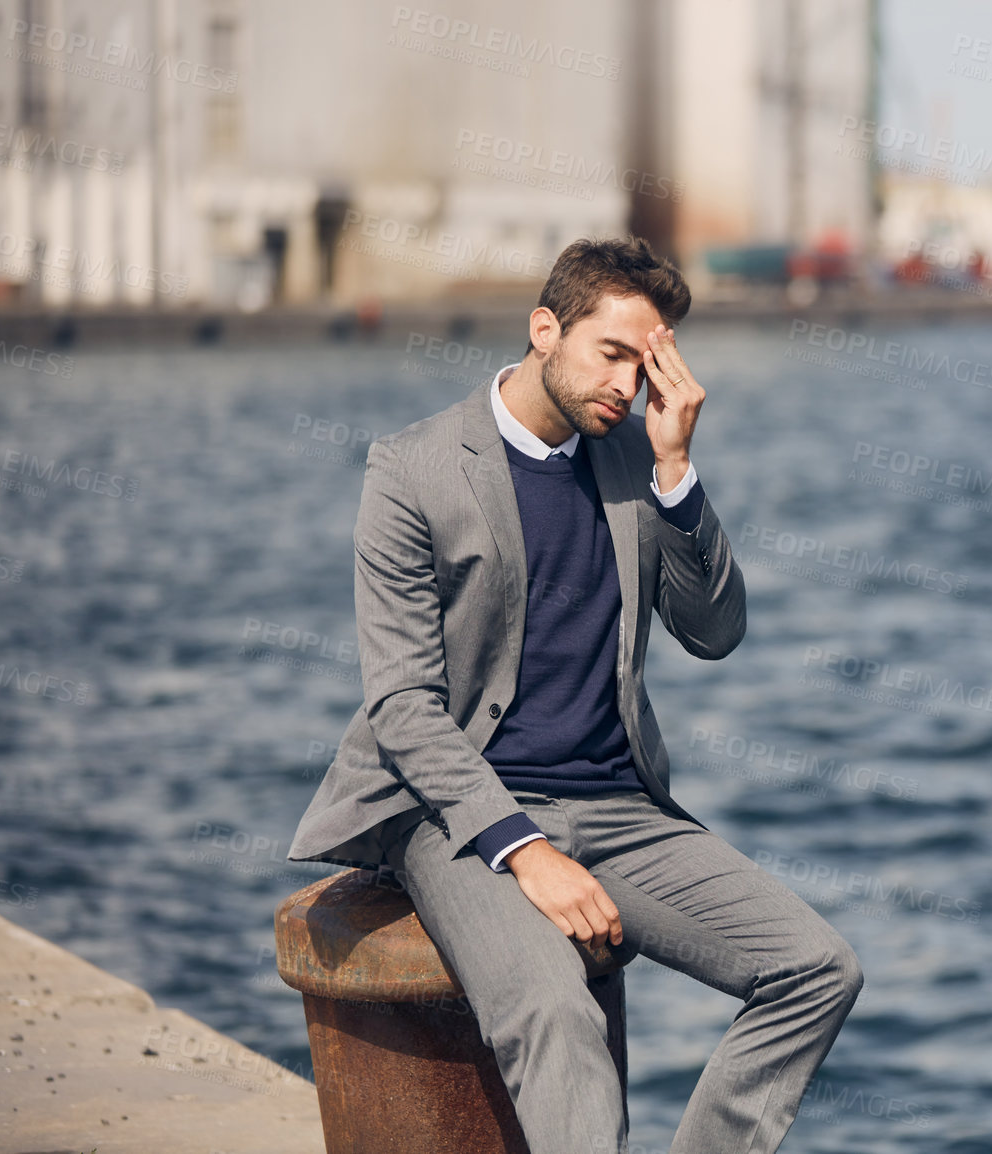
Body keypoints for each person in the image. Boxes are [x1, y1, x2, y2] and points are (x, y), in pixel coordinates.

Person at [286, 236, 863, 1154]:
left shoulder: (637, 456)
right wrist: (522, 849)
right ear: (545, 329)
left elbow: (715, 635)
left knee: (816, 968)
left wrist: (676, 473)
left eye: (649, 364)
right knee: (557, 1010)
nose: (629, 386)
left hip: (619, 805)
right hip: (461, 815)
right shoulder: (413, 469)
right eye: (613, 355)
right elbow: (402, 705)